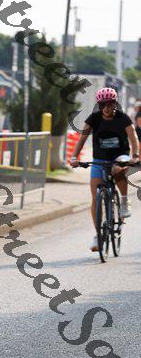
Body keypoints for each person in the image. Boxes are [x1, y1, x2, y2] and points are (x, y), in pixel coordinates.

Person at [70, 87, 139, 252]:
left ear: (115, 103)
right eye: (103, 105)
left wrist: (135, 155)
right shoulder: (93, 118)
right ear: (99, 105)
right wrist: (74, 157)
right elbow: (82, 139)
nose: (106, 108)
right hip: (99, 159)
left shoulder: (123, 118)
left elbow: (133, 138)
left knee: (117, 170)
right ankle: (98, 235)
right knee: (95, 196)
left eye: (110, 104)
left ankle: (124, 201)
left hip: (120, 156)